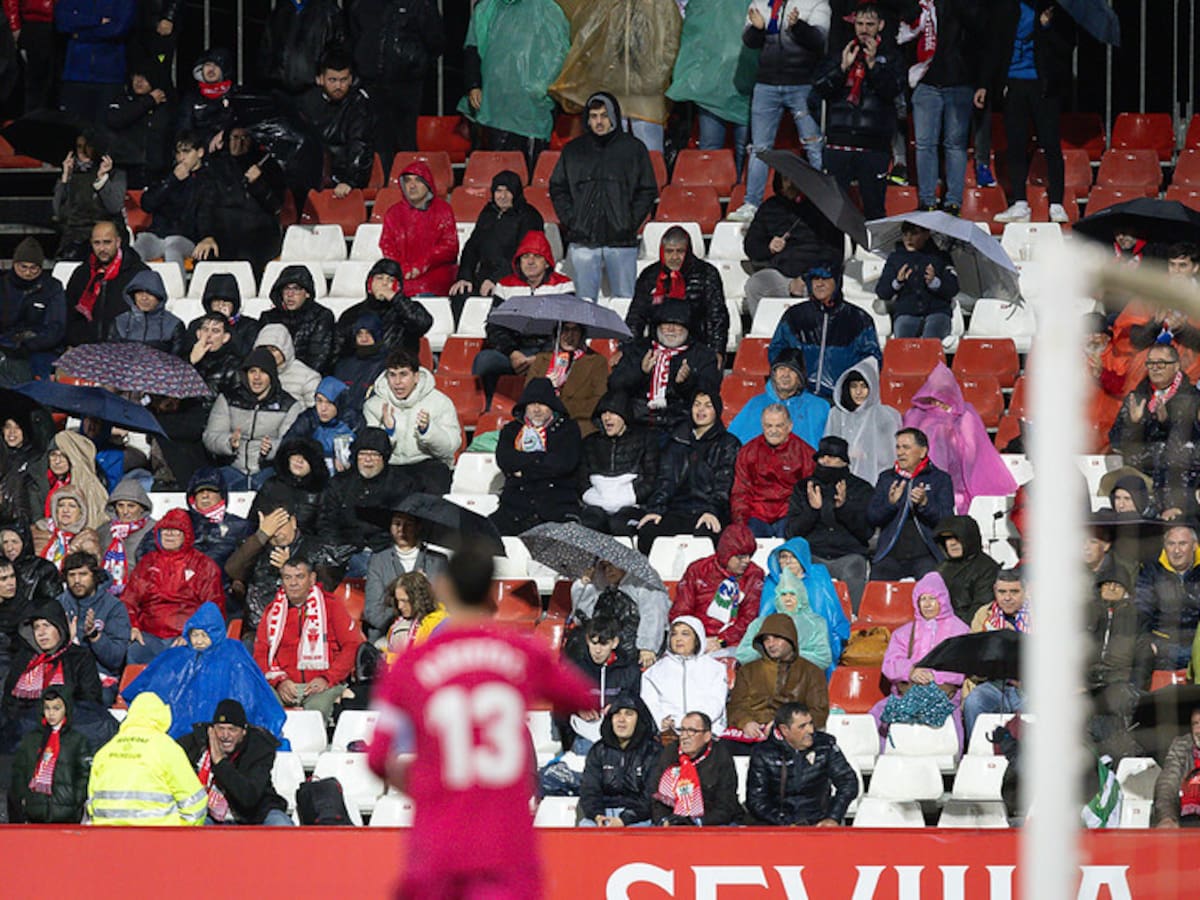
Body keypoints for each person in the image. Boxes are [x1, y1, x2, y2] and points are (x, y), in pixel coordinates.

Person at [366, 548, 593, 898]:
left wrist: (426, 787)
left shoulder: (411, 665)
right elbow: (582, 700)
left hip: (438, 843)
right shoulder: (523, 653)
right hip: (505, 846)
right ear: (491, 590)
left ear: (443, 589)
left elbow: (377, 758)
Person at [548, 92, 659, 301]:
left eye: (604, 115)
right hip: (583, 242)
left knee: (624, 302)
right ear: (587, 119)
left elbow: (647, 189)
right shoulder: (573, 150)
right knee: (583, 304)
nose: (599, 122)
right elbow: (557, 187)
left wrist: (628, 222)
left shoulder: (634, 149)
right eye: (594, 116)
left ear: (614, 117)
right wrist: (573, 220)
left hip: (621, 242)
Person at [125, 602, 285, 740]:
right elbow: (154, 687)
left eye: (204, 635)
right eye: (195, 635)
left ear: (216, 633)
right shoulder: (178, 656)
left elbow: (248, 691)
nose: (199, 641)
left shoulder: (233, 653)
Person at [731, 0, 830, 223]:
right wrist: (756, 30)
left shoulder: (816, 2)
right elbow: (749, 42)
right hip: (766, 84)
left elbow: (820, 40)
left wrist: (798, 27)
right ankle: (752, 203)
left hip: (802, 84)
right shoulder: (761, 2)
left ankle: (821, 201)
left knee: (813, 144)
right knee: (760, 148)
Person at [983, 0, 1075, 225]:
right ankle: (1020, 203)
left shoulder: (1054, 11)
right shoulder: (1008, 8)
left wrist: (1046, 27)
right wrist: (986, 83)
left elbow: (1065, 48)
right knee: (1015, 144)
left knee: (1050, 144)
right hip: (1014, 83)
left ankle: (1056, 203)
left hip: (1043, 86)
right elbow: (996, 45)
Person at [810, 2, 904, 220]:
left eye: (870, 24)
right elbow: (820, 89)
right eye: (859, 23)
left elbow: (892, 91)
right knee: (833, 212)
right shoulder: (839, 54)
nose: (863, 29)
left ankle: (873, 253)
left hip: (873, 147)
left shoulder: (892, 57)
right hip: (838, 144)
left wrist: (873, 66)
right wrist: (841, 69)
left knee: (874, 212)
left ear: (880, 25)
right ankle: (835, 252)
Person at [897, 0, 985, 215]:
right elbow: (903, 22)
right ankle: (927, 200)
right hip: (925, 82)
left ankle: (953, 202)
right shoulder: (921, 3)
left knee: (955, 145)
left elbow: (979, 27)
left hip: (960, 82)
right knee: (925, 144)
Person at [253, 556, 362, 724]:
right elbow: (261, 652)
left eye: (299, 576)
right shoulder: (272, 612)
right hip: (284, 684)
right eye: (287, 578)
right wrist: (279, 682)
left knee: (315, 714)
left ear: (312, 579)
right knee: (261, 705)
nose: (293, 583)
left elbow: (351, 645)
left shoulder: (331, 606)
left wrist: (328, 678)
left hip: (322, 684)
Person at [459, 0, 570, 164]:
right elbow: (472, 50)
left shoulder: (547, 9)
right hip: (496, 105)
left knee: (531, 165)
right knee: (500, 169)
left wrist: (541, 88)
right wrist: (473, 85)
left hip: (533, 108)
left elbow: (560, 54)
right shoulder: (486, 9)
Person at [473, 230, 575, 402]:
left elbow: (568, 327)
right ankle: (488, 408)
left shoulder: (563, 285)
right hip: (515, 350)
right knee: (484, 361)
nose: (530, 261)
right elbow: (495, 327)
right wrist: (513, 353)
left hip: (549, 352)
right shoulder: (505, 286)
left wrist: (541, 358)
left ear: (547, 262)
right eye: (525, 256)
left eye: (537, 256)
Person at [903, 362, 1018, 513]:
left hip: (957, 475)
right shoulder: (917, 414)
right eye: (935, 395)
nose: (939, 401)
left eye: (943, 395)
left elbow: (972, 448)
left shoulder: (965, 414)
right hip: (924, 476)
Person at [637, 391, 741, 554]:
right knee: (647, 531)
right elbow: (665, 481)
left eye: (707, 406)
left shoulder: (728, 444)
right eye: (697, 404)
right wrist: (655, 509)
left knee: (706, 536)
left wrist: (712, 511)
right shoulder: (676, 440)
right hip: (677, 510)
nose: (701, 410)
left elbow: (724, 485)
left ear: (717, 410)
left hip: (708, 510)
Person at [871, 571, 969, 743]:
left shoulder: (960, 630)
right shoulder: (904, 632)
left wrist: (935, 675)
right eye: (923, 599)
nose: (928, 604)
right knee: (876, 714)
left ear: (942, 599)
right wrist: (911, 671)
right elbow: (890, 664)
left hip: (945, 696)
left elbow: (965, 665)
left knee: (953, 722)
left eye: (932, 598)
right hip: (907, 695)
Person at [85, 691, 206, 826]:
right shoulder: (166, 747)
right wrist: (179, 834)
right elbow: (195, 803)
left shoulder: (106, 751)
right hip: (157, 840)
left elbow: (91, 803)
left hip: (109, 838)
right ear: (162, 716)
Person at [120, 511, 225, 666]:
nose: (169, 534)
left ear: (186, 535)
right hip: (149, 636)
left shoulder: (204, 565)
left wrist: (194, 635)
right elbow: (129, 600)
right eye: (165, 530)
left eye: (176, 531)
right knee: (135, 651)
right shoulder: (147, 563)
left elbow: (213, 606)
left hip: (186, 637)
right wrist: (133, 626)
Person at [665, 0, 755, 177]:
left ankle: (738, 194)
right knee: (717, 148)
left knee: (735, 149)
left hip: (737, 80)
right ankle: (713, 192)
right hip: (715, 85)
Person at [608, 300, 723, 437]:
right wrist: (640, 372)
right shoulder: (638, 350)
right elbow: (614, 385)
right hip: (638, 424)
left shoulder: (703, 355)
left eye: (677, 324)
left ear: (688, 327)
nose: (671, 329)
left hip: (680, 426)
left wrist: (686, 382)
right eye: (666, 324)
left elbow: (710, 393)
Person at [347, 0, 444, 160]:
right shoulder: (361, 4)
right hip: (371, 83)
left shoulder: (420, 3)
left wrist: (416, 63)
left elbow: (436, 39)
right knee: (376, 142)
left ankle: (406, 182)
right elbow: (355, 36)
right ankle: (383, 183)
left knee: (405, 141)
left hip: (407, 83)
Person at [767, 265, 881, 401]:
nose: (819, 284)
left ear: (837, 282)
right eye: (815, 279)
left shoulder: (859, 319)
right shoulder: (794, 316)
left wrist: (848, 391)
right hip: (800, 397)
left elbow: (871, 361)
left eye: (825, 279)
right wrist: (792, 385)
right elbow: (777, 352)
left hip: (840, 401)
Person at [785, 435, 873, 610]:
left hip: (848, 555)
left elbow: (865, 532)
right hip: (814, 554)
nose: (825, 461)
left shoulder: (861, 488)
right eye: (822, 456)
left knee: (855, 567)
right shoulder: (804, 488)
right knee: (798, 567)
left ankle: (853, 620)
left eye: (831, 457)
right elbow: (792, 532)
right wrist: (812, 510)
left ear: (844, 462)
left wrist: (843, 508)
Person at [2, 603, 104, 751]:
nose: (41, 632)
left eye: (47, 625)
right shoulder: (24, 658)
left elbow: (90, 700)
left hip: (66, 727)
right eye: (37, 627)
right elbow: (8, 701)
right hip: (23, 729)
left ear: (60, 627)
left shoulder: (79, 657)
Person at [176, 697, 293, 825]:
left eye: (232, 729)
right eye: (220, 728)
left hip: (254, 814)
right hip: (209, 815)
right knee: (196, 826)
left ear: (243, 732)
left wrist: (220, 762)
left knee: (281, 823)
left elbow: (249, 797)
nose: (225, 735)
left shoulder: (259, 748)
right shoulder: (195, 745)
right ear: (212, 730)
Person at [224, 504, 336, 636]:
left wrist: (291, 569)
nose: (276, 531)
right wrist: (261, 535)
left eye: (280, 523)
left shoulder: (315, 549)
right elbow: (232, 570)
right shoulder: (255, 549)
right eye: (270, 526)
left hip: (301, 630)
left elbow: (323, 592)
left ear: (293, 522)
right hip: (258, 630)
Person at [491, 377, 582, 535]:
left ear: (552, 406)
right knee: (479, 536)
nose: (537, 409)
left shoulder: (568, 429)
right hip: (514, 508)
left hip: (556, 508)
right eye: (532, 404)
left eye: (542, 404)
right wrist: (542, 459)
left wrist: (523, 470)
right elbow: (505, 459)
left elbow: (563, 463)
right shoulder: (511, 430)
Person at [203, 348, 302, 492]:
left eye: (263, 372)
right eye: (252, 371)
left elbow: (292, 443)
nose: (257, 377)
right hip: (232, 468)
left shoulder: (288, 405)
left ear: (272, 375)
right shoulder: (228, 399)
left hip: (268, 470)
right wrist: (228, 443)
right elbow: (210, 436)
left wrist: (271, 449)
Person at [362, 347, 462, 489]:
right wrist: (388, 431)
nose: (397, 382)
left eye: (403, 374)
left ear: (416, 377)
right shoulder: (374, 405)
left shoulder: (440, 402)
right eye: (392, 375)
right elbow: (371, 451)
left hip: (428, 466)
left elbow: (450, 448)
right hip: (390, 466)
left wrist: (428, 430)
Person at [743, 182, 846, 319]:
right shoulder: (770, 207)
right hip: (780, 274)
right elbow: (751, 246)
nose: (790, 183)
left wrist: (807, 277)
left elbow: (834, 252)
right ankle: (763, 333)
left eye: (794, 180)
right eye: (785, 179)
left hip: (814, 276)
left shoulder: (822, 209)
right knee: (755, 284)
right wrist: (768, 247)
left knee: (823, 288)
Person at [746, 701, 858, 825]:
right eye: (802, 726)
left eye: (810, 723)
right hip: (777, 826)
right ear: (784, 730)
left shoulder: (825, 746)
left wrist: (833, 817)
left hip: (819, 823)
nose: (810, 730)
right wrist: (784, 823)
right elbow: (756, 800)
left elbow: (848, 782)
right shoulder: (763, 753)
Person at [196, 125, 287, 278]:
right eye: (235, 138)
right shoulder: (216, 167)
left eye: (245, 138)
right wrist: (207, 236)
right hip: (223, 235)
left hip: (258, 235)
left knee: (248, 257)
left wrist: (258, 183)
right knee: (207, 254)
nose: (239, 143)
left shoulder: (268, 166)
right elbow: (205, 206)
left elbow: (275, 206)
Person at [1109, 344, 1198, 496]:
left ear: (1176, 366)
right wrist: (1134, 424)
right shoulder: (1136, 397)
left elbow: (1192, 442)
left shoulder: (1193, 398)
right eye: (1150, 363)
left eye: (1161, 363)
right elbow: (1116, 442)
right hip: (1139, 476)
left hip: (1178, 481)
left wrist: (1165, 424)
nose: (1155, 368)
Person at [867, 427, 955, 579]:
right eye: (898, 447)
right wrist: (890, 504)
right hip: (890, 554)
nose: (900, 452)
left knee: (932, 584)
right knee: (876, 585)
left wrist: (925, 504)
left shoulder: (940, 479)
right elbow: (872, 517)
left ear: (922, 452)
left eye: (906, 447)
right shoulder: (886, 478)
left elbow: (947, 519)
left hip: (926, 554)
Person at [625, 225, 729, 355]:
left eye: (680, 251)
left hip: (697, 347)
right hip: (658, 347)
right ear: (662, 252)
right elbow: (636, 316)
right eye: (669, 251)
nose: (674, 257)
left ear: (688, 251)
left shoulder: (707, 274)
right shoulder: (650, 275)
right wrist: (627, 350)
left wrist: (717, 351)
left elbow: (717, 316)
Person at [317, 428, 404, 577]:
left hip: (384, 552)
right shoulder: (339, 483)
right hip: (346, 552)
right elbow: (327, 522)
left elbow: (404, 527)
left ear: (384, 457)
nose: (368, 460)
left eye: (374, 455)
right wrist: (337, 548)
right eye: (363, 454)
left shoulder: (401, 484)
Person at [449, 172, 545, 306]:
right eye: (498, 191)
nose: (502, 196)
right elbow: (471, 247)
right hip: (484, 275)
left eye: (508, 191)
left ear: (516, 192)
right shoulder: (488, 213)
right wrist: (465, 277)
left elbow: (525, 255)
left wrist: (496, 279)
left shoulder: (530, 216)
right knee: (460, 294)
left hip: (516, 277)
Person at [131, 130, 217, 276]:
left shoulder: (210, 180)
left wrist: (208, 236)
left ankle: (176, 294)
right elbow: (147, 204)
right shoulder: (167, 175)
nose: (181, 157)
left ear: (200, 152)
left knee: (172, 247)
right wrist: (172, 181)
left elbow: (208, 214)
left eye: (186, 152)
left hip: (186, 238)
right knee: (138, 247)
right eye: (178, 153)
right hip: (157, 235)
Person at [669, 524, 764, 653]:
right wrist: (694, 638)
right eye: (740, 557)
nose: (746, 561)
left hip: (732, 643)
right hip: (693, 638)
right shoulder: (698, 569)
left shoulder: (754, 575)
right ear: (726, 553)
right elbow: (681, 610)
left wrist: (722, 641)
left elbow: (749, 618)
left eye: (749, 555)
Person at [578, 391, 661, 536]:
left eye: (613, 413)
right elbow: (581, 478)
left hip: (632, 505)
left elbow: (650, 478)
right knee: (589, 523)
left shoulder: (645, 440)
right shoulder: (589, 442)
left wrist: (629, 497)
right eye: (603, 413)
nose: (607, 417)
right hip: (595, 504)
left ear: (625, 416)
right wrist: (592, 497)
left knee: (619, 524)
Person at [760, 536, 850, 668]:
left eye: (793, 557)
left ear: (802, 559)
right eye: (784, 557)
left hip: (817, 639)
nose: (788, 561)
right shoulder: (772, 582)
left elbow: (832, 612)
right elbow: (764, 618)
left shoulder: (818, 577)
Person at [961, 568, 1030, 741]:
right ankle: (976, 755)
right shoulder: (984, 615)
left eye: (1014, 592)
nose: (1007, 598)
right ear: (994, 591)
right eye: (1002, 592)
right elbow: (971, 657)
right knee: (974, 701)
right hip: (993, 683)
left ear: (1026, 590)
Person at [295, 47, 373, 195]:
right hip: (310, 175)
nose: (338, 86)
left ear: (350, 79)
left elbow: (360, 145)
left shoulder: (358, 104)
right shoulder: (306, 103)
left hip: (343, 176)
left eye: (343, 80)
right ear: (320, 79)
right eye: (333, 80)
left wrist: (351, 181)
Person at [7, 688, 91, 823]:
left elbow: (84, 775)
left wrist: (75, 801)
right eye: (47, 708)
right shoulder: (31, 740)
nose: (51, 713)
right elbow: (19, 773)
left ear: (66, 709)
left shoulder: (77, 740)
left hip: (66, 813)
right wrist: (23, 801)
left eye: (56, 708)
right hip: (35, 812)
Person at [731, 404, 816, 537]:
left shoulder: (805, 453)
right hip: (756, 515)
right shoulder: (748, 451)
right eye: (769, 426)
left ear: (790, 426)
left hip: (789, 514)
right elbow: (740, 491)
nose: (773, 430)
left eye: (779, 426)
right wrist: (741, 524)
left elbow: (809, 494)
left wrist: (800, 520)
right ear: (762, 425)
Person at [57, 551, 129, 705]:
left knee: (98, 698)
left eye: (83, 574)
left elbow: (116, 659)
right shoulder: (58, 605)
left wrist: (95, 636)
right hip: (63, 672)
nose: (77, 581)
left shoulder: (114, 607)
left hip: (100, 674)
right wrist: (64, 642)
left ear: (95, 576)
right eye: (71, 575)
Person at [363, 513, 449, 642]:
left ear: (418, 527)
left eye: (408, 524)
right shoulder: (378, 560)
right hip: (388, 635)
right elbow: (373, 611)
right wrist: (402, 621)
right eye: (397, 524)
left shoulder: (438, 561)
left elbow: (446, 605)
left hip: (428, 635)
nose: (401, 530)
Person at [380, 159, 459, 298]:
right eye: (408, 181)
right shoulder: (393, 213)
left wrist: (422, 264)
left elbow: (450, 246)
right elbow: (387, 245)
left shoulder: (443, 210)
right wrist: (403, 268)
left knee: (422, 289)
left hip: (435, 274)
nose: (412, 185)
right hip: (403, 273)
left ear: (427, 183)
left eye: (417, 180)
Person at [570, 560, 671, 669]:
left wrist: (647, 647)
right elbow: (585, 619)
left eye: (613, 564)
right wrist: (584, 586)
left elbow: (653, 615)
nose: (609, 569)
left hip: (635, 649)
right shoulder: (606, 591)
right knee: (577, 642)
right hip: (609, 646)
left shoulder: (646, 585)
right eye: (604, 567)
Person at [578, 693, 660, 827]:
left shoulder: (654, 752)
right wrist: (598, 816)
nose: (621, 719)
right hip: (602, 814)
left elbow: (651, 797)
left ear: (639, 719)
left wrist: (624, 820)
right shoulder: (598, 750)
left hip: (639, 817)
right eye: (617, 714)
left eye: (628, 714)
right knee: (586, 827)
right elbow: (589, 791)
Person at [641, 616, 730, 738]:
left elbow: (716, 703)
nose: (678, 639)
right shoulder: (653, 673)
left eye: (685, 634)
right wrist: (663, 721)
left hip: (707, 733)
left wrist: (692, 725)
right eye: (674, 634)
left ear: (697, 638)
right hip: (669, 734)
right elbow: (651, 704)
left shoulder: (716, 668)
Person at [648, 710, 742, 826]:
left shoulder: (721, 756)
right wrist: (664, 820)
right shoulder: (670, 753)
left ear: (707, 736)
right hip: (673, 821)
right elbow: (656, 795)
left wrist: (696, 822)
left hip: (711, 821)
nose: (684, 736)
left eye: (691, 731)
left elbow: (726, 804)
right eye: (682, 730)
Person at [63, 220, 148, 347]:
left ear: (118, 242)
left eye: (107, 242)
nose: (102, 248)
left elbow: (149, 315)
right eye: (97, 243)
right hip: (85, 347)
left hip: (126, 349)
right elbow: (69, 313)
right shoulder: (81, 274)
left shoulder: (139, 273)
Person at [332, 258, 434, 360]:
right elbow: (338, 351)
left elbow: (423, 323)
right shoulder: (352, 314)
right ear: (369, 283)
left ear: (398, 287)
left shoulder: (407, 310)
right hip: (361, 372)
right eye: (379, 278)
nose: (384, 283)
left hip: (397, 371)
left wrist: (395, 298)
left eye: (391, 280)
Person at [729, 348, 829, 449]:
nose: (786, 374)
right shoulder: (755, 404)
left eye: (792, 370)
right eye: (781, 369)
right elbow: (732, 442)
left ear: (800, 378)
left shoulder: (819, 407)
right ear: (774, 375)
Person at [875, 221, 959, 339]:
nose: (908, 238)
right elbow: (882, 292)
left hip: (937, 312)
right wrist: (897, 282)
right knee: (905, 345)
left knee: (929, 342)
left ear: (926, 234)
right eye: (905, 234)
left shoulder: (941, 257)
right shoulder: (895, 258)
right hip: (906, 313)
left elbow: (953, 288)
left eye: (914, 234)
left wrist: (935, 282)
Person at [736, 569, 833, 671]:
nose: (788, 599)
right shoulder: (760, 623)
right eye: (783, 594)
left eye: (792, 594)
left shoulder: (816, 623)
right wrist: (769, 653)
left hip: (803, 679)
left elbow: (823, 659)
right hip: (765, 678)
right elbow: (742, 655)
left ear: (801, 596)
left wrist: (788, 655)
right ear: (777, 598)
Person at [823, 357, 902, 483]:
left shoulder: (886, 415)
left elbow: (890, 456)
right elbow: (828, 449)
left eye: (864, 386)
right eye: (854, 386)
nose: (858, 392)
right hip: (841, 482)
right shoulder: (836, 415)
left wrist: (866, 454)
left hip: (876, 482)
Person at [55, 0, 136, 122]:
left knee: (104, 133)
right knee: (72, 130)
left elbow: (117, 29)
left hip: (109, 75)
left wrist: (79, 34)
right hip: (75, 73)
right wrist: (97, 20)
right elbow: (62, 21)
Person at [525, 322, 608, 437]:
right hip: (541, 423)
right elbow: (527, 395)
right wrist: (545, 385)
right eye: (565, 330)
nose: (570, 335)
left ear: (582, 334)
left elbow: (599, 400)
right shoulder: (542, 359)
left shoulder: (597, 362)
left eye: (575, 330)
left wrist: (560, 406)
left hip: (577, 424)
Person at [0, 237, 67, 381]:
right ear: (14, 264)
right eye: (23, 267)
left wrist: (30, 343)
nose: (28, 273)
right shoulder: (3, 286)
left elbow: (56, 327)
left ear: (41, 268)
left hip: (41, 348)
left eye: (33, 268)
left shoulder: (52, 287)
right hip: (6, 345)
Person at [51, 133, 126, 261]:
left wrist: (102, 179)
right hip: (76, 237)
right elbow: (58, 212)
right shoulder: (70, 175)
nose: (83, 152)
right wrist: (65, 179)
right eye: (79, 147)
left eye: (88, 146)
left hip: (106, 234)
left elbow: (115, 207)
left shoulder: (115, 174)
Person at [1135, 524, 1200, 671]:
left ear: (1194, 546)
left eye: (1183, 544)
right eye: (1171, 544)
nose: (1176, 550)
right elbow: (1141, 609)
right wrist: (1147, 642)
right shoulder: (1151, 571)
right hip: (1163, 644)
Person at [105, 57, 176, 189]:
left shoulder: (166, 105)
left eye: (144, 77)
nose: (139, 81)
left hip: (157, 171)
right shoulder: (122, 100)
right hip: (125, 169)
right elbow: (115, 120)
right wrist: (148, 101)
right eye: (136, 76)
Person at [258, 266, 334, 376]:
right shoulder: (269, 318)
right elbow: (261, 356)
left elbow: (319, 359)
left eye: (296, 289)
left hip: (307, 378)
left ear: (307, 293)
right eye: (286, 288)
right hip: (271, 377)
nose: (290, 294)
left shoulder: (321, 316)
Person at [256, 0, 343, 94]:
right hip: (280, 91)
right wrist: (270, 77)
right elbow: (267, 47)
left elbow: (338, 50)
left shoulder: (328, 10)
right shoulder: (280, 11)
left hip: (315, 92)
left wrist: (326, 77)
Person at [247, 437, 328, 535]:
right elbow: (252, 523)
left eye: (306, 458)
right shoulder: (271, 485)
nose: (299, 460)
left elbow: (325, 530)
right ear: (287, 457)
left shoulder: (320, 492)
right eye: (296, 455)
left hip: (305, 546)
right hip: (269, 542)